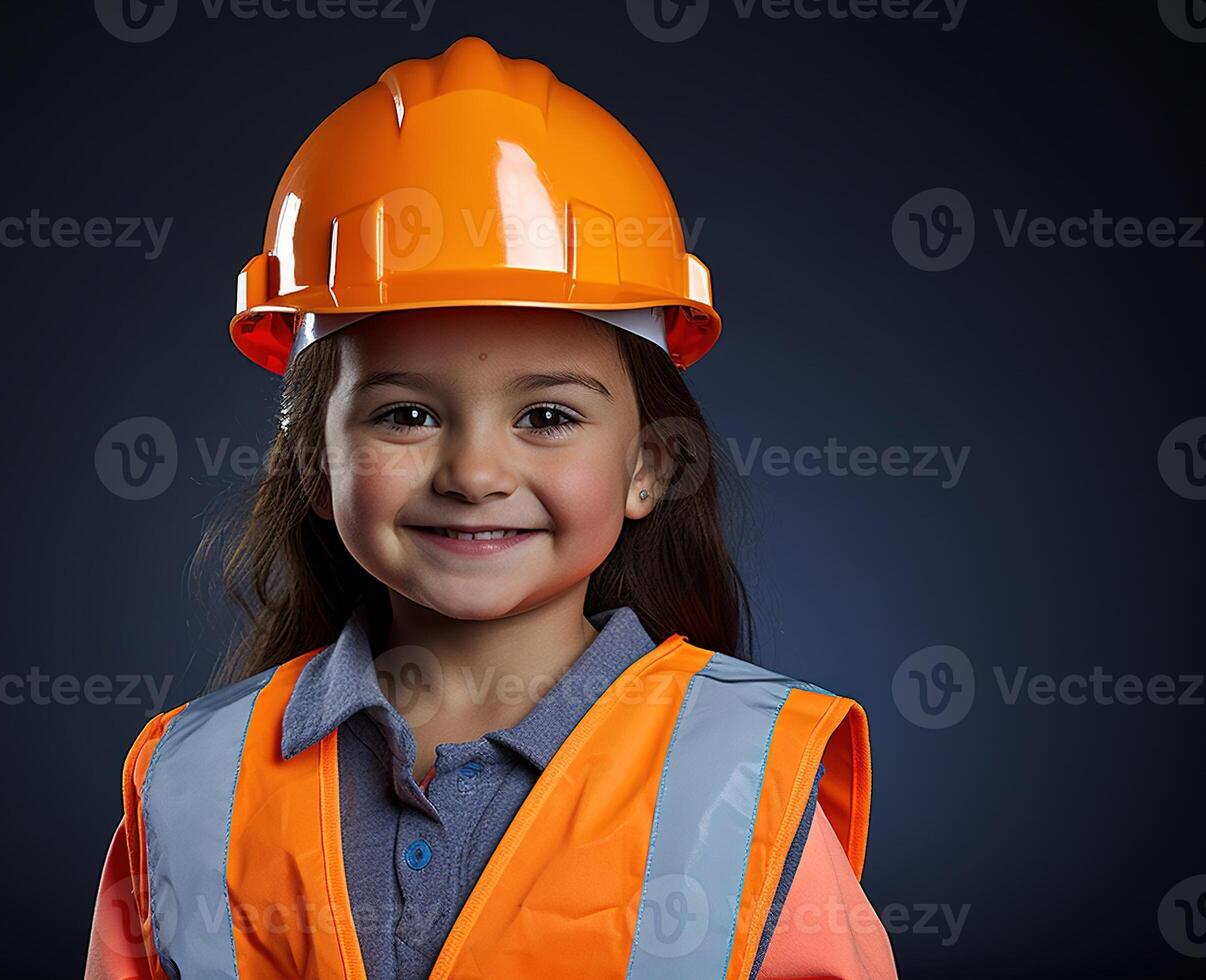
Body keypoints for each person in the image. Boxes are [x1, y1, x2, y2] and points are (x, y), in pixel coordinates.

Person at [86, 35, 897, 980]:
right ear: (313, 461)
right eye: (406, 414)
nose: (474, 471)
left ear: (647, 467)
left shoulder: (744, 780)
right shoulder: (194, 780)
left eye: (546, 415)